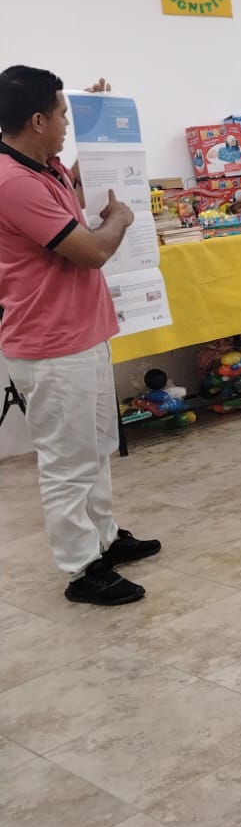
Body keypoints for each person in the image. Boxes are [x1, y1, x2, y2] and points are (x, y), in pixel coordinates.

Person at [0, 67, 160, 605]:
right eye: (64, 114)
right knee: (66, 462)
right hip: (50, 345)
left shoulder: (41, 167)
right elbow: (92, 251)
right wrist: (120, 219)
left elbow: (75, 184)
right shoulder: (12, 183)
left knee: (95, 447)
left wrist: (96, 120)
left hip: (83, 333)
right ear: (37, 120)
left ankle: (105, 538)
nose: (66, 123)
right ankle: (81, 568)